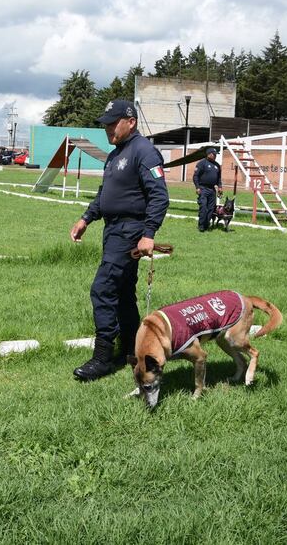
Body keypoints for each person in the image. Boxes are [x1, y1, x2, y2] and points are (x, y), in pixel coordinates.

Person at [70, 100, 169, 382]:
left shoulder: (144, 151)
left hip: (130, 231)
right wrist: (86, 218)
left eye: (113, 123)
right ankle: (130, 348)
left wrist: (149, 233)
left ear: (131, 121)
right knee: (124, 293)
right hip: (112, 230)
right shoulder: (115, 155)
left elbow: (159, 196)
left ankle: (102, 358)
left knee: (102, 289)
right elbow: (105, 193)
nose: (108, 129)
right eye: (106, 124)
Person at [193, 147, 223, 232]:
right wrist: (197, 187)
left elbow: (219, 178)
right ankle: (201, 226)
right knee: (203, 207)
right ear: (209, 154)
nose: (215, 156)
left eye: (216, 154)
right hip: (203, 188)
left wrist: (220, 187)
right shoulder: (202, 163)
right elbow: (195, 176)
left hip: (212, 189)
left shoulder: (217, 165)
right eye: (214, 154)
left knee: (211, 208)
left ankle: (206, 225)